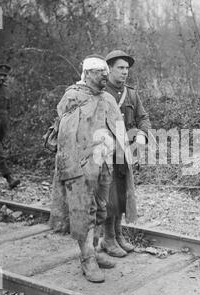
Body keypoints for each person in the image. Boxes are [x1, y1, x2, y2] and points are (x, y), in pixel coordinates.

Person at [49, 54, 137, 283]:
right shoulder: (73, 97)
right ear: (87, 73)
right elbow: (66, 134)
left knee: (101, 209)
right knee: (82, 210)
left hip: (105, 164)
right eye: (100, 73)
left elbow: (117, 129)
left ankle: (96, 250)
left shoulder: (106, 98)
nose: (105, 76)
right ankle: (87, 258)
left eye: (105, 73)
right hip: (80, 167)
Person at [99, 50, 151, 257]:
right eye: (120, 68)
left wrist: (141, 135)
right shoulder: (101, 94)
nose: (124, 72)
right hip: (105, 152)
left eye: (127, 68)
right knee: (109, 197)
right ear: (109, 69)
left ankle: (118, 235)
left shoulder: (131, 94)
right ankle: (108, 239)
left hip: (126, 153)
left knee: (122, 194)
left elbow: (143, 117)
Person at [0, 64, 20, 189]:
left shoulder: (5, 90)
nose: (3, 78)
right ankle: (9, 178)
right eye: (0, 75)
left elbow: (7, 108)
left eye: (5, 76)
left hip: (2, 128)